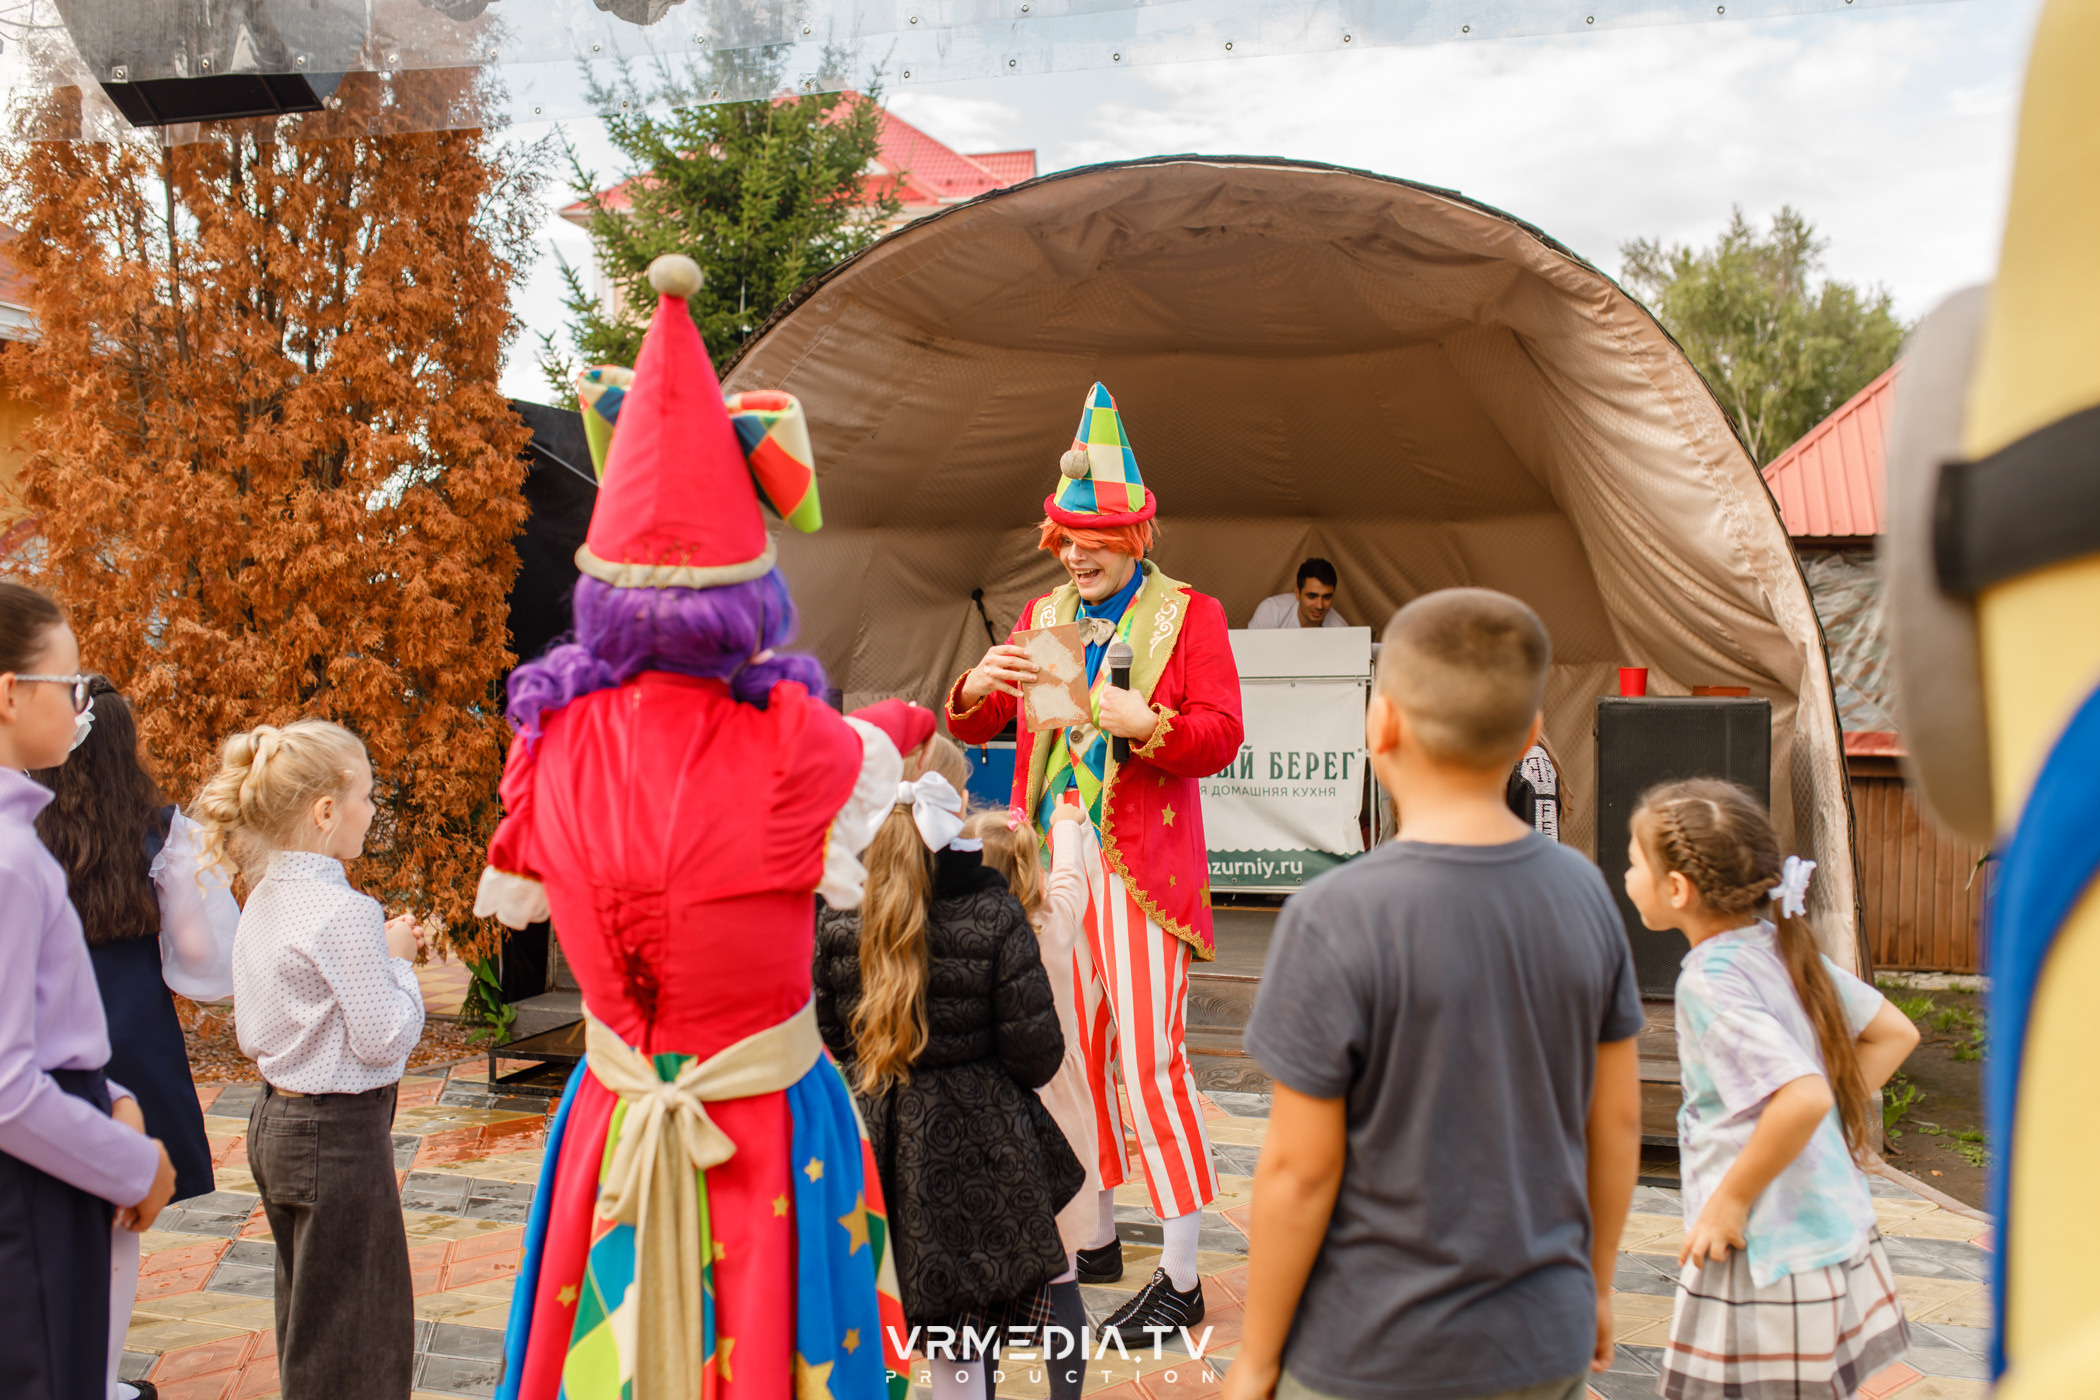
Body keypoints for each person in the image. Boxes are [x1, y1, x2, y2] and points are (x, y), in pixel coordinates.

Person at [476, 254, 910, 1400]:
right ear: (752, 591)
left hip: (612, 1121)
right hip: (769, 1137)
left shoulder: (545, 743)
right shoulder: (800, 746)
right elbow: (870, 744)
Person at [1226, 588, 1645, 1400]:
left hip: (1370, 1351)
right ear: (1531, 734)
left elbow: (1298, 1173)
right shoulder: (1586, 895)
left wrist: (1258, 1355)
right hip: (1542, 1338)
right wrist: (1595, 1287)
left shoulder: (1332, 915)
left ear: (1379, 724)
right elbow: (1617, 1121)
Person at [946, 381, 1244, 1336]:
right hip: (1049, 860)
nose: (1075, 554)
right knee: (1064, 1056)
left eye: (1093, 539)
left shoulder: (1187, 615)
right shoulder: (1044, 616)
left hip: (1140, 870)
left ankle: (1183, 1280)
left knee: (1151, 1063)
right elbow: (982, 720)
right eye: (1065, 539)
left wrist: (1148, 723)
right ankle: (1094, 1238)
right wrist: (975, 683)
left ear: (1132, 537)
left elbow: (1222, 734)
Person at [1623, 779, 1918, 1398]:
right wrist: (1814, 1125)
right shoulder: (1780, 947)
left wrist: (1730, 1200)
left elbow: (1803, 1097)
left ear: (1676, 889)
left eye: (1632, 862)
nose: (1626, 876)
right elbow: (1894, 1034)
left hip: (1763, 1247)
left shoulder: (1709, 981)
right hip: (1828, 1230)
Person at [814, 734, 1084, 1400]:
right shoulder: (992, 908)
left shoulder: (841, 908)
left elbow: (830, 1035)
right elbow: (1037, 1053)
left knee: (900, 1321)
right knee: (984, 1327)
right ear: (956, 804)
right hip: (980, 1145)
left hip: (878, 1143)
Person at [191, 718, 427, 1398]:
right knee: (360, 1332)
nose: (373, 811)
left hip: (277, 1121)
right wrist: (398, 963)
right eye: (367, 797)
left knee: (312, 1317)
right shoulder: (343, 911)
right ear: (326, 811)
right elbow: (384, 1037)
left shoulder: (265, 895)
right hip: (337, 1135)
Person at [31, 676, 241, 1400]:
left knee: (39, 1203)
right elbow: (201, 957)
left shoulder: (18, 826)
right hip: (131, 1039)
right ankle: (101, 1379)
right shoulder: (160, 831)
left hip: (39, 1035)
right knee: (122, 1215)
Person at [0, 583, 178, 1400]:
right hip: (29, 1185)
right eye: (69, 685)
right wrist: (133, 1164)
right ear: (10, 693)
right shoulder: (9, 860)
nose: (80, 706)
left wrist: (109, 1095)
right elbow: (7, 1087)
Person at [965, 801, 1098, 1400]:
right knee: (1062, 1273)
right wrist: (1066, 824)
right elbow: (1071, 875)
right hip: (1060, 1122)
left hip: (992, 1123)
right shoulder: (1055, 922)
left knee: (987, 1281)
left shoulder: (965, 937)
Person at [1248, 559, 1346, 630]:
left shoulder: (1340, 629)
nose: (1319, 606)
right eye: (1312, 596)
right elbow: (1250, 649)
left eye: (1327, 597)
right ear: (1297, 593)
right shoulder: (1271, 611)